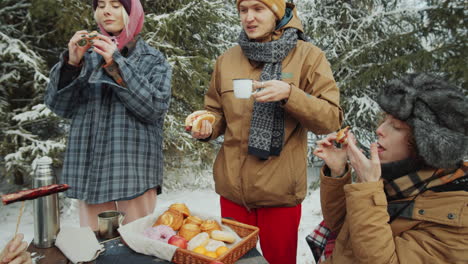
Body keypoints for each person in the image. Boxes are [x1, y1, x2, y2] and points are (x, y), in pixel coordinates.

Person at [191, 0, 343, 263]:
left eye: (258, 9)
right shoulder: (227, 60)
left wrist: (291, 95)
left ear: (277, 12)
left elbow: (331, 118)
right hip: (233, 192)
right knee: (233, 260)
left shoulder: (308, 56)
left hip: (279, 193)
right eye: (243, 10)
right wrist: (206, 125)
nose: (249, 17)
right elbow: (215, 111)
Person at [311, 73, 468, 263]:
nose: (379, 130)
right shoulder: (399, 177)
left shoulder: (459, 217)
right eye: (384, 119)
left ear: (425, 144)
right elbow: (343, 228)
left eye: (396, 127)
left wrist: (368, 190)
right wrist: (338, 172)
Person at [45, 0, 171, 230]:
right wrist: (72, 63)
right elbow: (59, 106)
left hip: (134, 172)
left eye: (115, 4)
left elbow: (154, 108)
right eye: (100, 5)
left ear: (132, 13)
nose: (106, 10)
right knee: (96, 250)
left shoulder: (153, 60)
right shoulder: (87, 57)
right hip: (92, 175)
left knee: (137, 247)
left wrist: (116, 64)